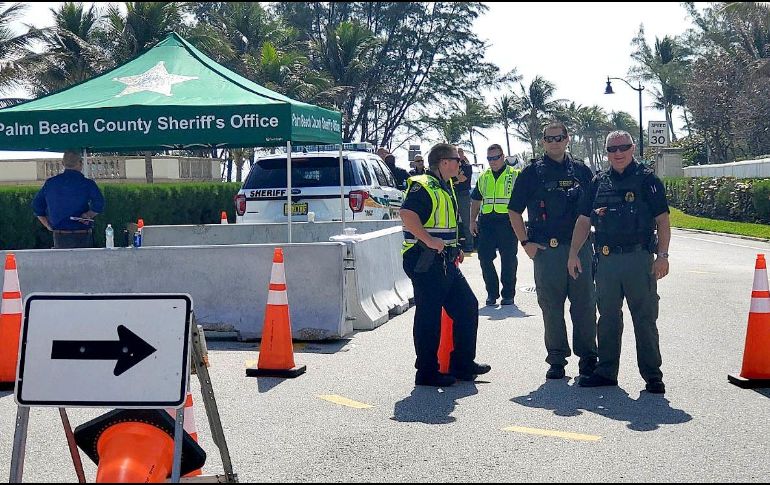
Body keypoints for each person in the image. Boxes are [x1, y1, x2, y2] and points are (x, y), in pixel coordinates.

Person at [568, 130, 670, 394]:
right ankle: (606, 371)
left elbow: (663, 220)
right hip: (607, 259)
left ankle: (652, 375)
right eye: (612, 149)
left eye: (623, 147)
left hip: (639, 258)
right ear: (606, 152)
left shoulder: (648, 180)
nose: (618, 153)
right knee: (608, 318)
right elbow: (583, 220)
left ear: (633, 148)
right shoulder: (598, 182)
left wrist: (663, 256)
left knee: (644, 318)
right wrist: (573, 253)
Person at [507, 122, 597, 380]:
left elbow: (591, 209)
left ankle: (588, 357)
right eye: (549, 138)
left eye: (559, 137)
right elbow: (514, 211)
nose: (555, 142)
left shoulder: (581, 170)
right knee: (551, 306)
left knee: (584, 305)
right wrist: (525, 244)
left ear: (568, 139)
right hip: (547, 251)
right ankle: (557, 359)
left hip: (579, 248)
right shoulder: (531, 173)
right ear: (542, 142)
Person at [400, 143, 491, 387]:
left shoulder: (445, 185)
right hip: (425, 260)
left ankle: (461, 364)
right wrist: (429, 240)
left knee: (467, 306)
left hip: (444, 260)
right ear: (443, 162)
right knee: (429, 315)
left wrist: (455, 248)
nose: (460, 163)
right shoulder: (424, 186)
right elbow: (407, 215)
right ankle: (426, 372)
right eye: (456, 159)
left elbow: (445, 224)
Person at [470, 144, 520, 306]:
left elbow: (523, 199)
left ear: (503, 156)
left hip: (507, 222)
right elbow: (476, 200)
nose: (493, 161)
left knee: (509, 260)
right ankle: (492, 293)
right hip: (487, 223)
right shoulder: (484, 177)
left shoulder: (514, 175)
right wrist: (472, 220)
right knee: (484, 258)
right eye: (489, 159)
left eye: (496, 158)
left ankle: (508, 294)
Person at [32, 150, 105, 249]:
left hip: (59, 235)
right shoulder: (87, 184)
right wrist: (88, 215)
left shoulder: (51, 183)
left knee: (62, 263)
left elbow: (36, 205)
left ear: (62, 163)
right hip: (82, 234)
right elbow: (99, 203)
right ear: (80, 163)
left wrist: (47, 224)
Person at [455, 147, 474, 252]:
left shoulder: (467, 167)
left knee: (467, 222)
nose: (459, 155)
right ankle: (455, 245)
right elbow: (453, 180)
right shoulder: (453, 166)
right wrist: (457, 178)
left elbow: (463, 179)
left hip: (463, 195)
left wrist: (456, 178)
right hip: (454, 194)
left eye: (460, 153)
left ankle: (469, 245)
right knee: (453, 222)